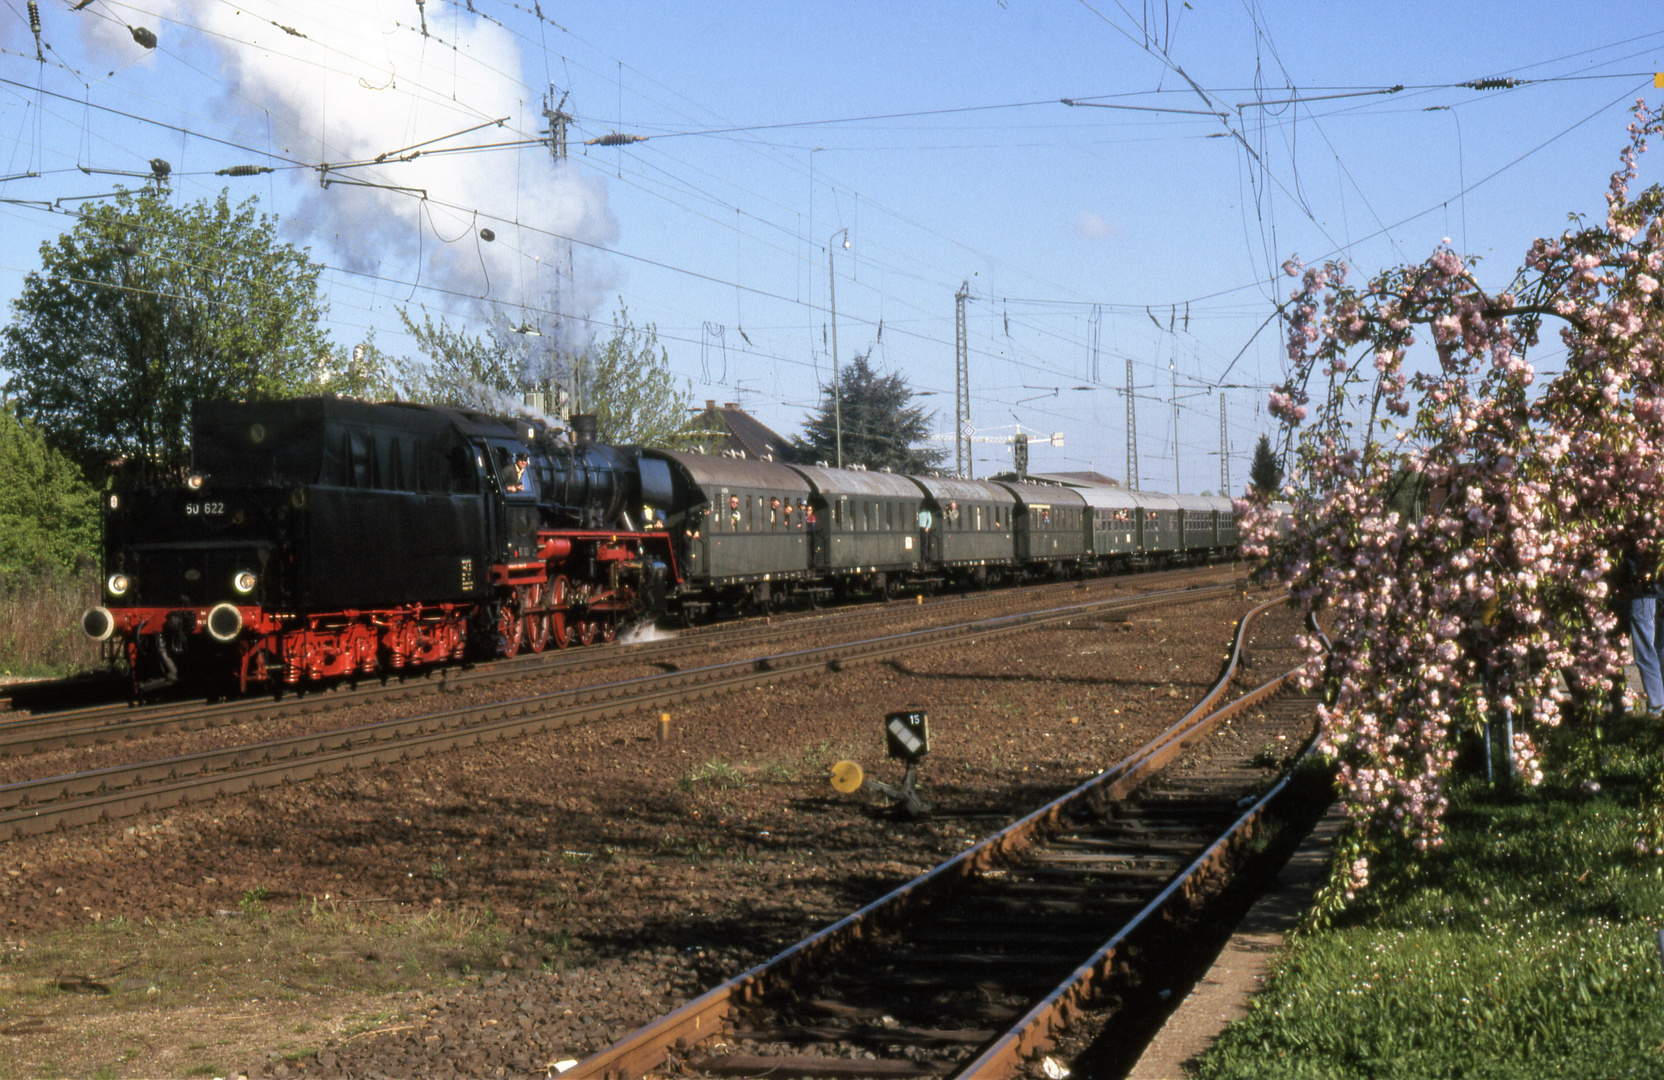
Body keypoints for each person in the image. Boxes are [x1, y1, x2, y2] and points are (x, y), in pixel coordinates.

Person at [1626, 548, 1664, 717]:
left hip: (1642, 589)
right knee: (1657, 647)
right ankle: (1657, 703)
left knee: (1646, 649)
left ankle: (1657, 705)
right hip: (1652, 586)